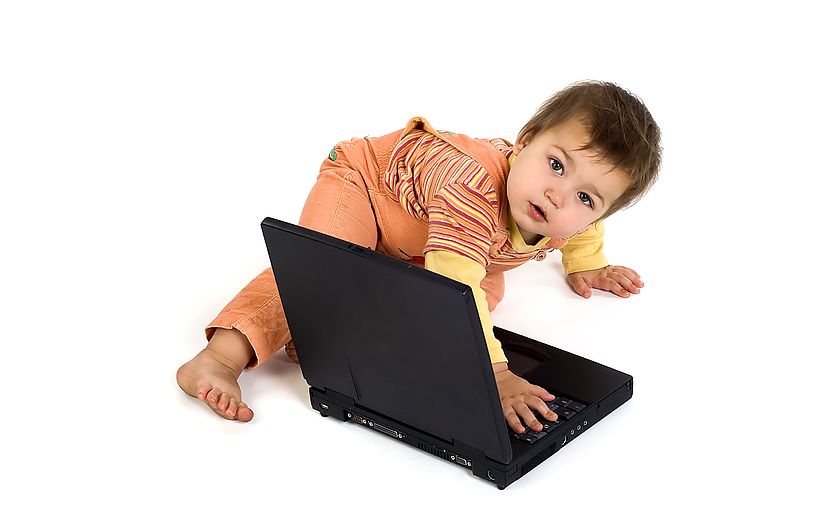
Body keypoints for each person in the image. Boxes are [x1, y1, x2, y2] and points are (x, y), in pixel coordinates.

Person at [177, 80, 662, 434]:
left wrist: (588, 264)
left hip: (430, 236)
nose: (559, 196)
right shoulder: (471, 185)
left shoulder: (566, 211)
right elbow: (458, 289)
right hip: (369, 187)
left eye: (587, 197)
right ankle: (221, 356)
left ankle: (323, 331)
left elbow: (582, 230)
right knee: (318, 271)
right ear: (527, 139)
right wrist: (495, 375)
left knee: (486, 290)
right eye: (556, 165)